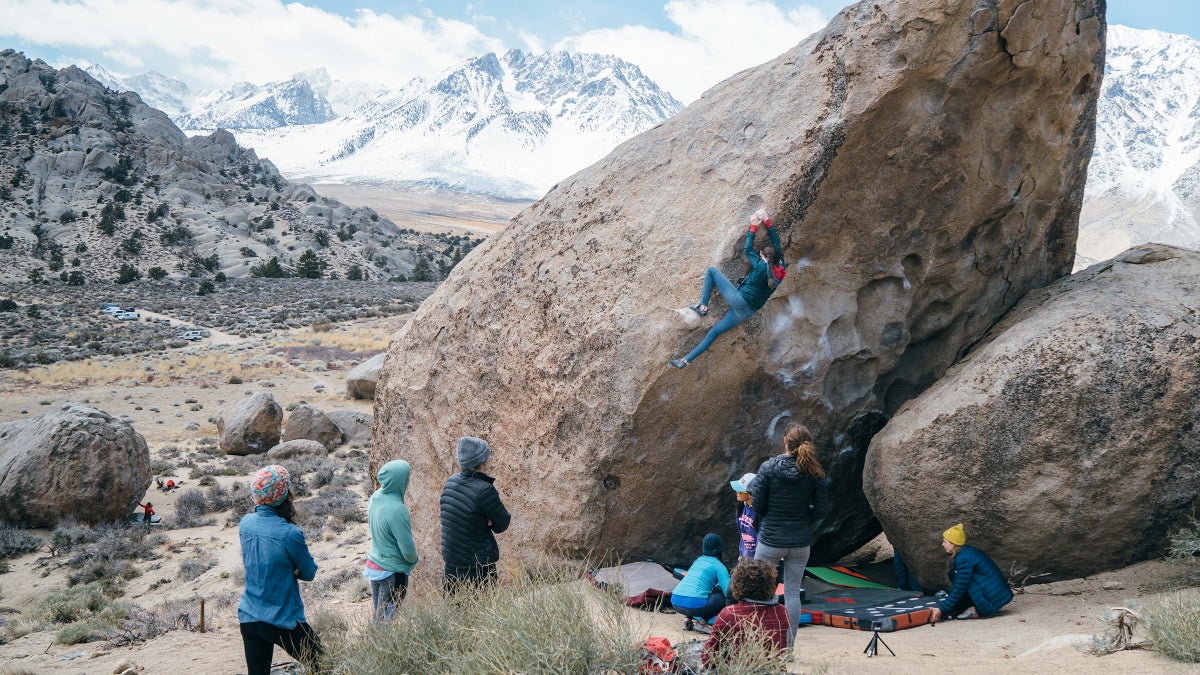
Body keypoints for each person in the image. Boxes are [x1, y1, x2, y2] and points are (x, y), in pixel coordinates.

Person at [669, 209, 787, 368]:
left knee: (711, 271)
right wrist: (766, 221)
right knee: (714, 332)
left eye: (761, 256)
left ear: (765, 258)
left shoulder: (761, 267)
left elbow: (747, 249)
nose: (759, 257)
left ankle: (703, 306)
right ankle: (684, 361)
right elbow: (776, 243)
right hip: (747, 312)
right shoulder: (780, 268)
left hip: (739, 301)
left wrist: (753, 226)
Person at [750, 422, 831, 648]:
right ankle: (788, 648)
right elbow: (823, 510)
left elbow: (757, 505)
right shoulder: (814, 473)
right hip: (800, 542)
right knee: (793, 593)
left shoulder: (768, 468)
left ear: (785, 440)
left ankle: (759, 645)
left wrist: (772, 515)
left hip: (770, 540)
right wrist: (806, 514)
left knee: (760, 591)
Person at [238, 464, 323, 675]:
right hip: (282, 619)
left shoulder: (245, 524)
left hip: (249, 615)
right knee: (325, 664)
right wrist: (294, 569)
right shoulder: (290, 533)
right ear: (284, 495)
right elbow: (309, 572)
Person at [440, 436, 511, 589]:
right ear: (484, 461)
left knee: (453, 611)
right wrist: (488, 520)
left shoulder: (450, 483)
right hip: (477, 569)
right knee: (482, 611)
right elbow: (502, 523)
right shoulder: (485, 490)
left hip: (451, 566)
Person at [702, 558, 789, 669]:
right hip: (774, 670)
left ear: (737, 584)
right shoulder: (782, 612)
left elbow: (708, 657)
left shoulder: (729, 613)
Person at [364, 459, 419, 622]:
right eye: (406, 478)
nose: (408, 481)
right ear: (400, 480)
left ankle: (372, 645)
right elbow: (408, 550)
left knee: (378, 616)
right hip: (393, 572)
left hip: (374, 566)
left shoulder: (375, 497)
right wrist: (414, 560)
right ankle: (378, 647)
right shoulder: (398, 509)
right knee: (386, 621)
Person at [929, 523, 1014, 622]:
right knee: (953, 573)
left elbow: (959, 588)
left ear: (953, 543)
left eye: (945, 542)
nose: (942, 544)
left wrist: (941, 609)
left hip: (994, 598)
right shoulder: (965, 552)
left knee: (960, 582)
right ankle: (970, 605)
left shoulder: (963, 559)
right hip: (998, 594)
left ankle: (979, 610)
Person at [670, 533, 731, 632]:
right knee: (722, 597)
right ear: (720, 548)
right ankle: (701, 623)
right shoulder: (719, 566)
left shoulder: (698, 561)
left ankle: (687, 620)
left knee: (694, 590)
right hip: (695, 605)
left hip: (675, 601)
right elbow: (728, 592)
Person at [730, 473, 759, 560]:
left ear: (750, 495)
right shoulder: (741, 507)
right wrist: (741, 554)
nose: (737, 492)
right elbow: (742, 534)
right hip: (745, 557)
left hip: (758, 559)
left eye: (740, 490)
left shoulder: (760, 513)